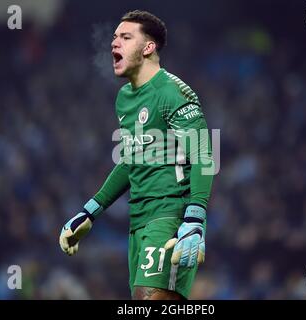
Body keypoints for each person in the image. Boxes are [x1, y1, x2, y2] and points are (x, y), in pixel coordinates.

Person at [59, 10, 214, 300]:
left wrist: (194, 218)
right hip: (138, 220)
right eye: (114, 37)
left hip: (170, 213)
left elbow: (203, 154)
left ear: (148, 47)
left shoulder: (174, 92)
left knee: (149, 298)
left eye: (125, 37)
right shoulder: (125, 98)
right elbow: (131, 160)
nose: (114, 43)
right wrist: (89, 211)